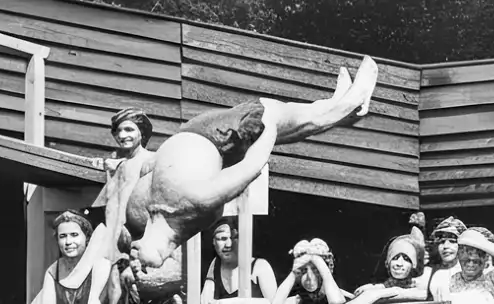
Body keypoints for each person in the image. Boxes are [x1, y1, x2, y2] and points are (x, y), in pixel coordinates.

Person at [114, 57, 379, 271]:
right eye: (140, 261)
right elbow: (250, 168)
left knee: (293, 122)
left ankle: (338, 105)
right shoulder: (197, 201)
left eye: (133, 255)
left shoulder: (144, 216)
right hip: (222, 136)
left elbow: (147, 169)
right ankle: (351, 102)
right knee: (283, 116)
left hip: (204, 133)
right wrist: (269, 128)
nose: (133, 255)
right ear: (166, 252)